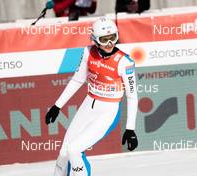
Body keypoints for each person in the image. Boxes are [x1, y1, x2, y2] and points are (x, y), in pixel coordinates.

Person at [45, 17, 138, 176]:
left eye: (113, 38)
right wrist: (57, 106)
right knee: (63, 153)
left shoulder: (124, 62)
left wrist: (130, 129)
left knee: (74, 150)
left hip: (108, 111)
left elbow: (132, 97)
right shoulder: (88, 52)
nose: (109, 44)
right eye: (104, 40)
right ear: (94, 40)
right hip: (88, 105)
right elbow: (77, 80)